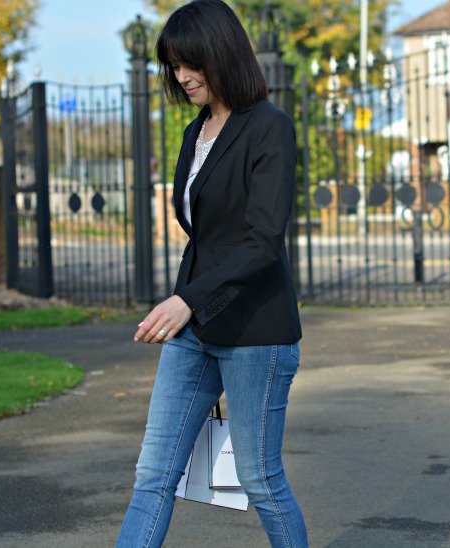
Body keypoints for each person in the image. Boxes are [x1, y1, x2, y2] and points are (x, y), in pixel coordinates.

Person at [116, 1, 307, 546]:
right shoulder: (193, 132)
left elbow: (261, 241)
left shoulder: (269, 126)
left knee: (261, 481)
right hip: (194, 332)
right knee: (153, 478)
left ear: (220, 53)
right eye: (173, 65)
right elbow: (204, 235)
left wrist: (186, 301)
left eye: (189, 63)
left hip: (256, 334)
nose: (181, 76)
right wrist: (190, 307)